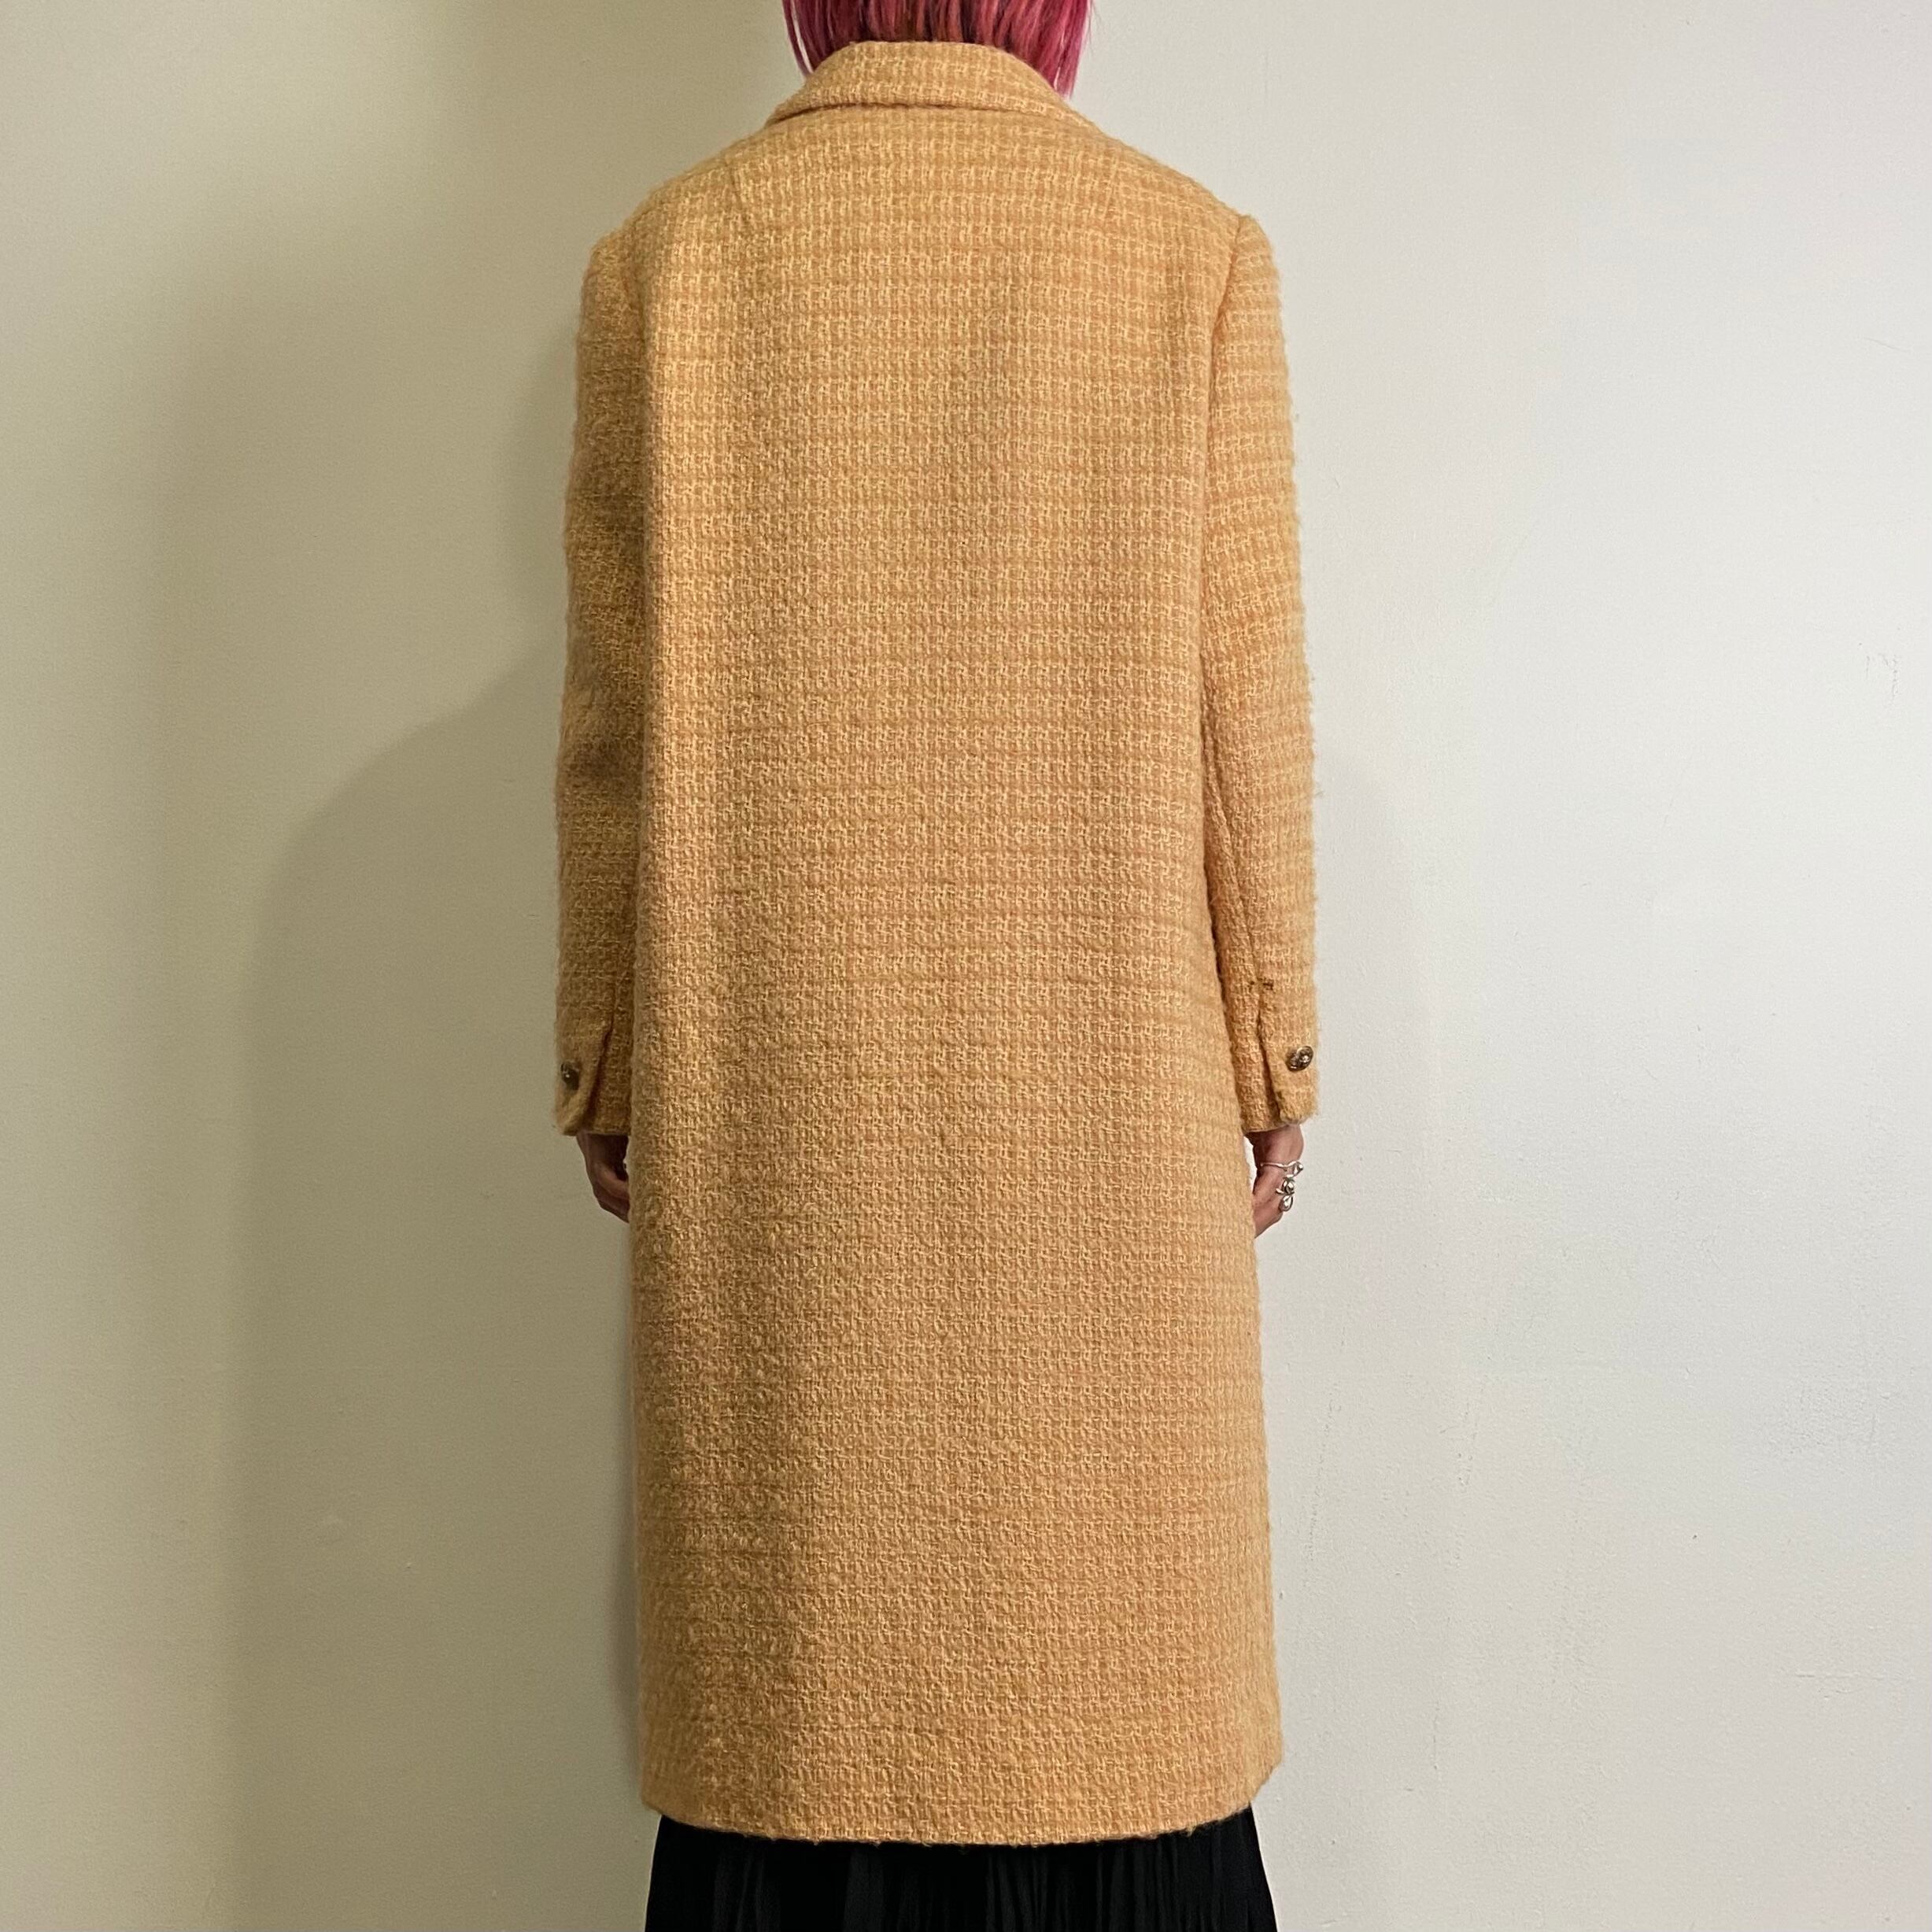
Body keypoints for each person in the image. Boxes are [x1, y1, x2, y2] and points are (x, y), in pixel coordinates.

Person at [552, 2, 1319, 1923]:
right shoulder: (1191, 252)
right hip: (1108, 1109)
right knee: (1114, 1689)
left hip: (775, 1100)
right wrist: (1272, 1053)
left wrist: (608, 1053)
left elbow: (616, 724)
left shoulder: (668, 257)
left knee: (798, 1698)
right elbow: (1242, 709)